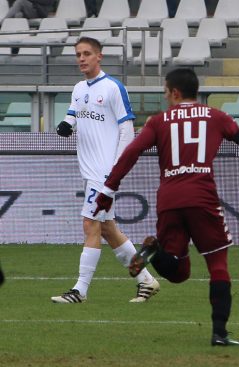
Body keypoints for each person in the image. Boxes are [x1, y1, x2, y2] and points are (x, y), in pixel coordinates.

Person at [93, 68, 239, 347]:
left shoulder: (158, 121)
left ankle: (154, 253)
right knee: (218, 265)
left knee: (179, 272)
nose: (166, 98)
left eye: (165, 93)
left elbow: (131, 151)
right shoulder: (216, 116)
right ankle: (219, 333)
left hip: (169, 201)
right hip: (203, 199)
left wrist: (108, 188)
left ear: (175, 92)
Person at [51, 36, 160, 304]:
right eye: (78, 54)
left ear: (99, 56)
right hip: (90, 171)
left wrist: (116, 169)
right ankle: (146, 281)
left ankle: (80, 290)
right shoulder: (78, 88)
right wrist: (67, 124)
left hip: (104, 172)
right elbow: (74, 113)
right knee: (108, 229)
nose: (82, 58)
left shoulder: (113, 88)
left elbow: (127, 129)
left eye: (87, 53)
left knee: (89, 224)